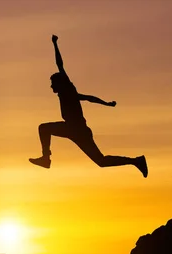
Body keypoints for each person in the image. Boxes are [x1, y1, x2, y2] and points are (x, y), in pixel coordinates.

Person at [29, 35, 148, 178]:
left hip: (76, 129)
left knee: (44, 128)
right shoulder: (65, 93)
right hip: (74, 130)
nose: (51, 86)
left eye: (53, 84)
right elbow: (88, 97)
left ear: (59, 83)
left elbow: (60, 65)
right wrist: (106, 104)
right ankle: (136, 161)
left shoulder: (68, 89)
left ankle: (46, 159)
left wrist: (55, 44)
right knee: (101, 161)